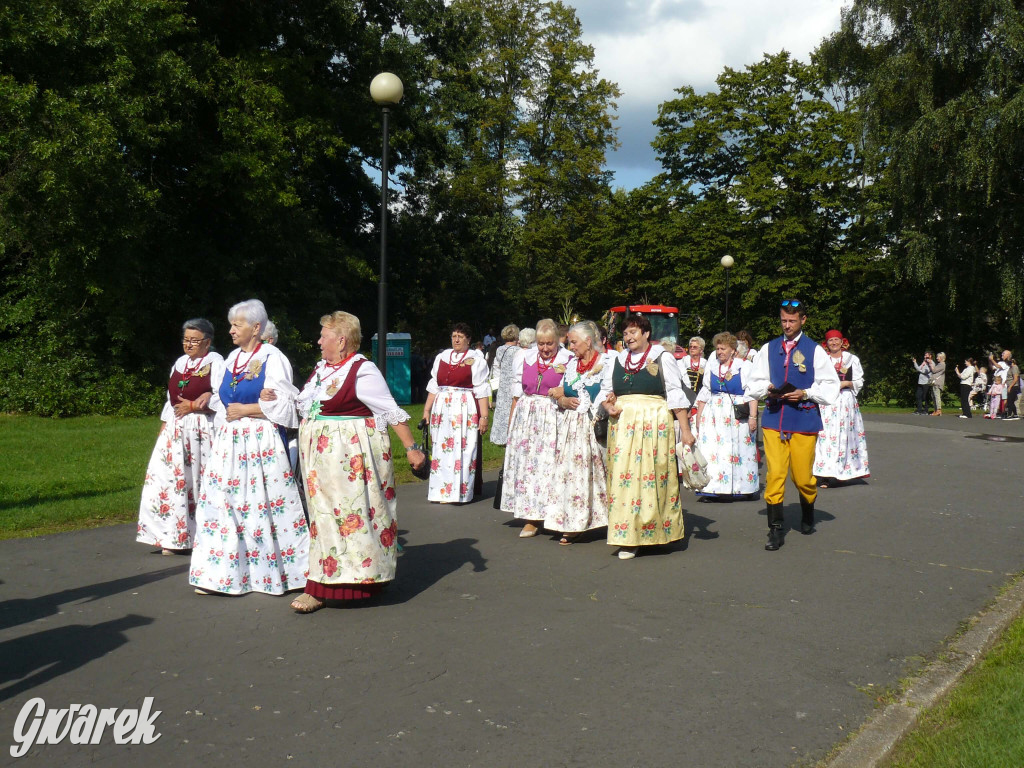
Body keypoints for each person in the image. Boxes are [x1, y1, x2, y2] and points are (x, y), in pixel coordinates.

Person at [287, 311, 426, 613]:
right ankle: (323, 583)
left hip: (349, 461)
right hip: (321, 462)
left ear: (341, 340)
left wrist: (412, 448)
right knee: (324, 520)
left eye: (323, 336)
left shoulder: (362, 370)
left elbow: (389, 410)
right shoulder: (323, 370)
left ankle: (350, 583)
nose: (318, 341)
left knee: (353, 519)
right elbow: (306, 405)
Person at [189, 299, 309, 595]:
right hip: (231, 443)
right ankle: (221, 575)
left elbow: (286, 404)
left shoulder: (272, 357)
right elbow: (223, 399)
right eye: (231, 325)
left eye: (236, 325)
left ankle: (278, 573)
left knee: (260, 505)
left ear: (256, 328)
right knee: (223, 503)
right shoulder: (231, 359)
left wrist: (248, 409)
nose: (230, 330)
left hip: (260, 441)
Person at [597, 314, 696, 560]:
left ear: (646, 334)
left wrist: (685, 432)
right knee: (624, 480)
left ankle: (657, 532)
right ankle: (629, 537)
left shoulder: (662, 358)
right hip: (622, 427)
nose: (628, 337)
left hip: (654, 425)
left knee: (653, 478)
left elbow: (675, 395)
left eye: (633, 332)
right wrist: (609, 406)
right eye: (626, 333)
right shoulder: (617, 360)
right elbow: (606, 392)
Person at [746, 299, 839, 551]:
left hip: (804, 420)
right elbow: (752, 383)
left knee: (802, 478)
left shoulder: (814, 350)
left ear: (803, 320)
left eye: (792, 321)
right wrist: (768, 387)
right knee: (775, 474)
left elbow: (830, 387)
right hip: (774, 419)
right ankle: (775, 529)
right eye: (783, 320)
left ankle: (807, 508)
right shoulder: (769, 348)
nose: (787, 325)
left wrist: (805, 393)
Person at [137, 319, 225, 554]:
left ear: (207, 342)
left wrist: (196, 406)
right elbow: (171, 398)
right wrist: (165, 424)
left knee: (197, 480)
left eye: (194, 340)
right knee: (169, 481)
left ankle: (201, 535)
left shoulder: (215, 363)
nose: (189, 344)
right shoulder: (180, 362)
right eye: (186, 340)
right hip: (176, 430)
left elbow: (222, 397)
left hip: (200, 430)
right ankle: (172, 535)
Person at [501, 319, 572, 537]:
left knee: (551, 467)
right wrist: (512, 424)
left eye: (549, 343)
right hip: (528, 415)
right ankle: (531, 517)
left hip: (554, 416)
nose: (545, 348)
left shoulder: (567, 359)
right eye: (541, 343)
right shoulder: (524, 357)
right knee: (529, 467)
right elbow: (517, 394)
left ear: (558, 342)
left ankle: (553, 515)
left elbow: (573, 389)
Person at [547, 320, 610, 543]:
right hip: (572, 428)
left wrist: (599, 410)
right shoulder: (573, 365)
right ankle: (574, 522)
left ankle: (606, 518)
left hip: (596, 427)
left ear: (588, 341)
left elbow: (610, 394)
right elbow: (560, 391)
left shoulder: (607, 362)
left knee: (600, 475)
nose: (570, 346)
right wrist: (563, 399)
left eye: (573, 342)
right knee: (572, 476)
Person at [422, 323, 490, 503]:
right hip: (442, 407)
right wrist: (426, 410)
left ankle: (458, 492)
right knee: (441, 448)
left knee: (462, 448)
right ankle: (440, 491)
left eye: (460, 336)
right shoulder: (442, 358)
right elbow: (434, 386)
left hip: (463, 407)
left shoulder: (476, 360)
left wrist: (484, 417)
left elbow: (481, 389)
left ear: (468, 339)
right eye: (454, 336)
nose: (456, 340)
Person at [693, 332, 760, 500]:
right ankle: (714, 488)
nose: (719, 352)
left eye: (723, 348)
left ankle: (742, 488)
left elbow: (751, 393)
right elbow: (705, 392)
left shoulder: (743, 366)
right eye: (717, 349)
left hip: (736, 414)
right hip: (714, 413)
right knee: (713, 451)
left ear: (732, 350)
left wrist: (753, 417)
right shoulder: (712, 366)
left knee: (739, 450)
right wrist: (699, 418)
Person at [813, 331, 870, 486]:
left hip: (845, 401)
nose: (834, 343)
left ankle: (844, 471)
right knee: (825, 436)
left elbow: (859, 380)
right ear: (826, 343)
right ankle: (825, 473)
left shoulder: (851, 359)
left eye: (836, 340)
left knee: (845, 435)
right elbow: (816, 380)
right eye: (830, 340)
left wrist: (846, 383)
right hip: (828, 402)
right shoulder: (823, 360)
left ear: (842, 341)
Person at [489, 324, 521, 447]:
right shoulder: (519, 351)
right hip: (514, 384)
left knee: (503, 413)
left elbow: (496, 368)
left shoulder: (499, 350)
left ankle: (502, 439)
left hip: (503, 386)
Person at [1003, 353, 1019, 420]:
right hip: (1010, 385)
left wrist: (1010, 386)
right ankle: (1015, 414)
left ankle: (1009, 414)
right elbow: (1010, 377)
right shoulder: (1011, 368)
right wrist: (1006, 381)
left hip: (1013, 386)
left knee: (1009, 401)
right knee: (1011, 401)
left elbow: (1015, 378)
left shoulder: (1014, 367)